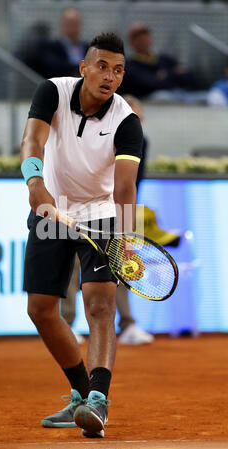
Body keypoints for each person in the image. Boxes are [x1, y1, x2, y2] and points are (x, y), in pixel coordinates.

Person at [20, 33, 143, 438]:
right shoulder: (51, 92)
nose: (110, 76)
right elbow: (32, 141)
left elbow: (125, 188)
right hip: (50, 207)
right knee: (39, 308)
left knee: (100, 306)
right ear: (84, 68)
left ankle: (99, 401)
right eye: (103, 66)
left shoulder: (126, 120)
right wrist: (37, 187)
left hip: (103, 213)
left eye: (119, 70)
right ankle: (80, 391)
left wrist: (129, 240)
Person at [61, 94, 154, 345]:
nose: (133, 125)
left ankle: (128, 326)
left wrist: (125, 220)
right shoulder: (89, 138)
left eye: (137, 119)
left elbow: (129, 185)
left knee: (124, 264)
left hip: (116, 212)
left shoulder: (140, 142)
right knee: (72, 268)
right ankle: (66, 327)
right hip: (79, 211)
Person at [122, 22, 198, 100]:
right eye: (138, 38)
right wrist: (173, 74)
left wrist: (165, 75)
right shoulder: (129, 65)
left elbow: (189, 76)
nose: (143, 40)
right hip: (155, 101)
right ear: (131, 42)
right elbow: (146, 85)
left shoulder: (164, 58)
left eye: (145, 36)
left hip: (181, 94)